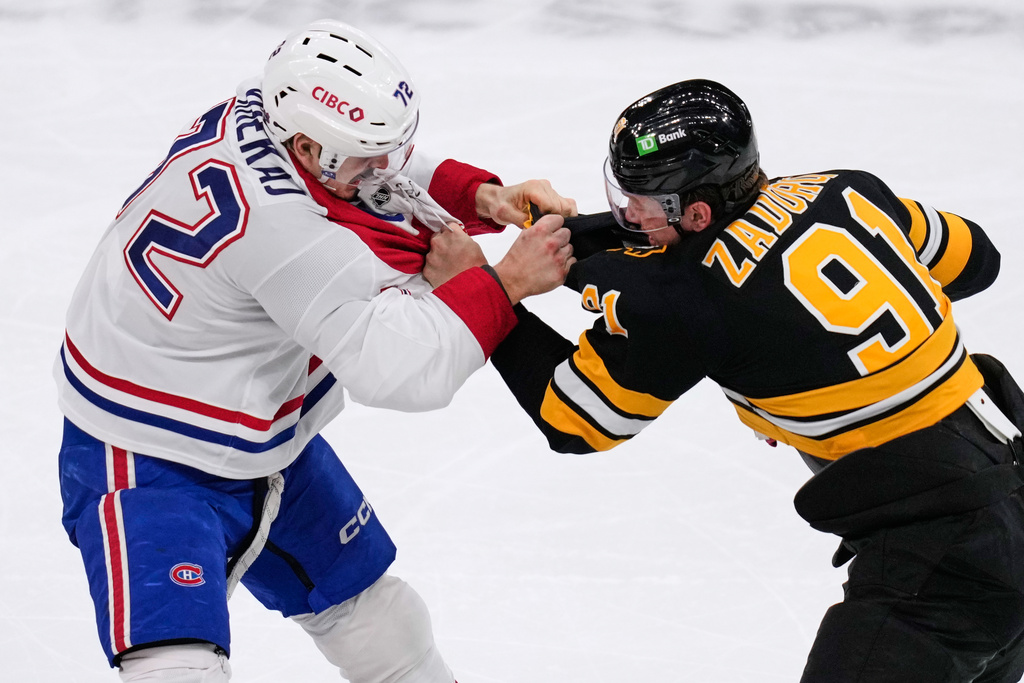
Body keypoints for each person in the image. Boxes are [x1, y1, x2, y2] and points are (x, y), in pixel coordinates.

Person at [428, 79, 1024, 681]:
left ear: (698, 211)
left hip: (943, 567)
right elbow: (977, 261)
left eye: (639, 200)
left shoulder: (681, 302)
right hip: (1007, 480)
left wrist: (492, 289)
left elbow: (576, 420)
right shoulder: (849, 190)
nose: (626, 213)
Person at [55, 19, 576, 683]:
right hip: (146, 451)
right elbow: (399, 369)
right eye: (368, 154)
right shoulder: (292, 235)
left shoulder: (262, 104)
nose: (385, 167)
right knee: (177, 669)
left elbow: (372, 164)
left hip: (249, 424)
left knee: (381, 621)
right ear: (308, 145)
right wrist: (503, 283)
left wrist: (478, 196)